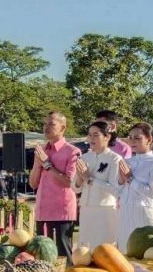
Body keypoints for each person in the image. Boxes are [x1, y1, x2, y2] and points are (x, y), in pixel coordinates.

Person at [29, 111, 81, 263]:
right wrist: (38, 164)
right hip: (42, 210)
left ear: (63, 128)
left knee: (62, 256)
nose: (46, 127)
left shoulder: (73, 151)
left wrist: (47, 164)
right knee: (42, 255)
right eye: (44, 124)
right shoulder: (42, 150)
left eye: (51, 124)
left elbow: (69, 182)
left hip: (61, 211)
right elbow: (33, 184)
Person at [74, 121, 123, 249]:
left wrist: (89, 179)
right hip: (86, 208)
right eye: (89, 135)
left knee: (104, 249)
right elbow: (75, 188)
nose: (91, 139)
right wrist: (80, 177)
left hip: (105, 210)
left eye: (96, 135)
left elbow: (115, 189)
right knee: (85, 248)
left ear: (107, 137)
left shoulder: (114, 159)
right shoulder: (84, 157)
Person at [117, 122, 153, 252]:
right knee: (125, 254)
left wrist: (130, 179)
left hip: (144, 212)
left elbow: (152, 193)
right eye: (130, 137)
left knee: (146, 255)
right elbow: (116, 191)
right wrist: (121, 180)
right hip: (124, 213)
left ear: (149, 139)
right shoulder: (127, 162)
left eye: (137, 138)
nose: (132, 141)